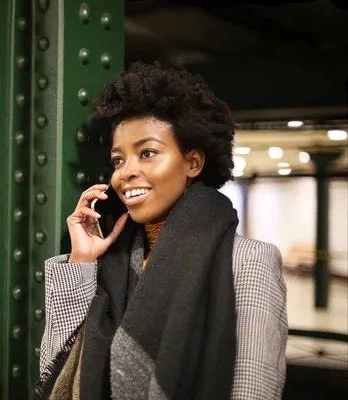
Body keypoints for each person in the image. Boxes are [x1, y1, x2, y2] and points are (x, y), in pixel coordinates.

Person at [37, 62, 287, 400]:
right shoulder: (110, 261)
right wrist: (81, 259)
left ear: (193, 163)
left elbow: (253, 390)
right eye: (118, 160)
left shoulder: (249, 260)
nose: (126, 172)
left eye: (147, 153)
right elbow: (57, 368)